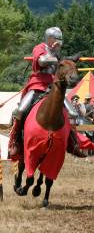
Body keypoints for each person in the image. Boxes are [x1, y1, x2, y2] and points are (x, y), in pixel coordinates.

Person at [8, 27, 79, 159]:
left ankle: (73, 143)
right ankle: (16, 141)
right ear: (50, 39)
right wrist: (55, 55)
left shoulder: (57, 51)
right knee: (20, 110)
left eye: (60, 40)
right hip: (38, 84)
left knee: (73, 113)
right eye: (57, 39)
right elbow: (41, 61)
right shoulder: (40, 47)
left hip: (53, 86)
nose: (59, 42)